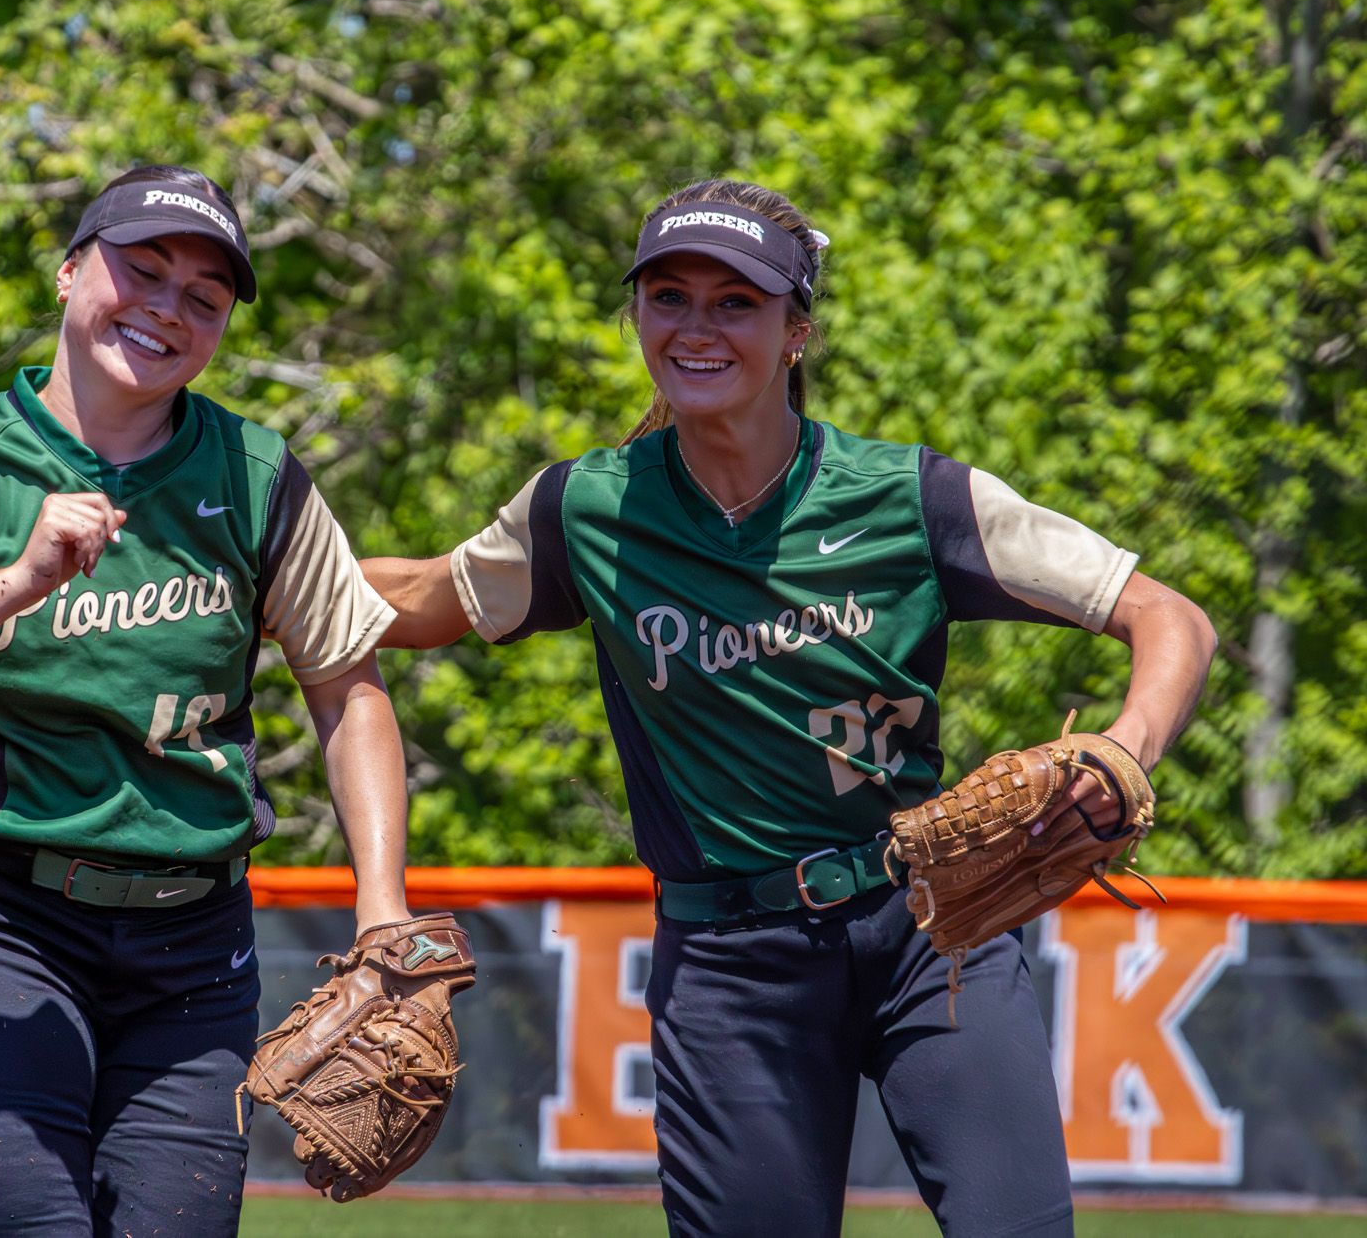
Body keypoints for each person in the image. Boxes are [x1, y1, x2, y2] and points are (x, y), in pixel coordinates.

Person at [362, 178, 1216, 1237]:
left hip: (928, 926)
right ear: (635, 316)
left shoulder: (910, 498)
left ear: (794, 330)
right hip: (730, 967)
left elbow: (1165, 616)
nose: (695, 325)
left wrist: (1124, 749)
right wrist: (235, 577)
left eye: (736, 302)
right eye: (667, 296)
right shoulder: (588, 509)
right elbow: (412, 601)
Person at [0, 166, 411, 1237]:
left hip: (192, 946)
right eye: (141, 269)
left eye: (203, 297)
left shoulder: (256, 479)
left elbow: (347, 686)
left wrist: (382, 909)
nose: (167, 306)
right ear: (70, 274)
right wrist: (18, 579)